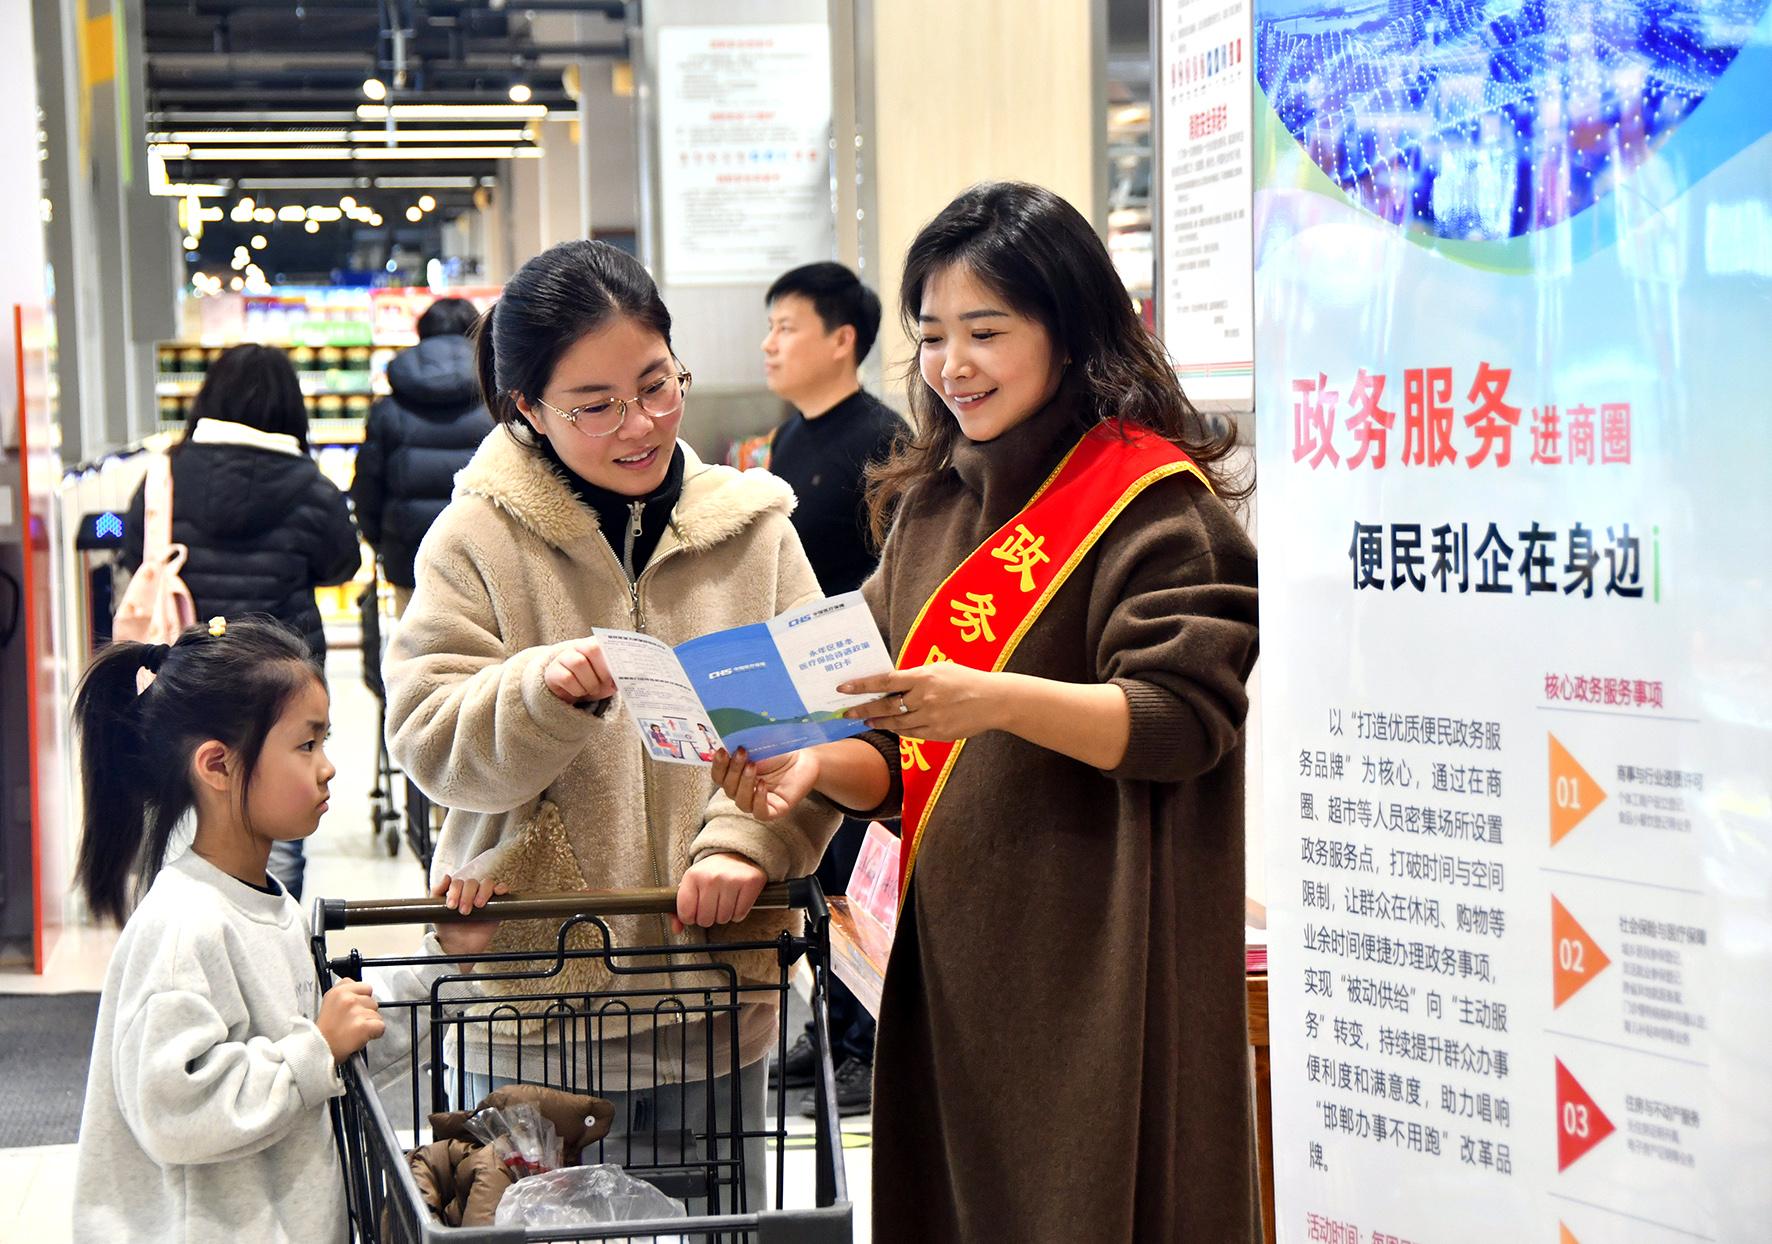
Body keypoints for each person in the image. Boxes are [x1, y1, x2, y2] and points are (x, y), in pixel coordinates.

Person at [712, 182, 1260, 1241]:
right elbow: (888, 741)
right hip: (956, 958)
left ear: (1071, 329)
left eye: (985, 331)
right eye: (931, 336)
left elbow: (1178, 720)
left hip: (1097, 966)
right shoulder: (934, 500)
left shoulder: (1155, 507)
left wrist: (993, 698)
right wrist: (812, 766)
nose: (952, 364)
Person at [382, 239, 840, 1215]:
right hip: (533, 997)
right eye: (594, 405)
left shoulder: (755, 532)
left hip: (715, 992)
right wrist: (537, 693)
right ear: (527, 407)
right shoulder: (477, 539)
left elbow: (809, 732)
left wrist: (747, 842)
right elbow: (425, 736)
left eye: (656, 385)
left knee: (723, 1226)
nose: (640, 425)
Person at [69, 618, 499, 1243]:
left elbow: (333, 1048)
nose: (327, 768)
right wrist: (315, 1048)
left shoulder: (272, 906)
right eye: (306, 744)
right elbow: (173, 1110)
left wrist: (445, 956)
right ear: (218, 765)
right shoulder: (183, 926)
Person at [123, 344, 361, 899]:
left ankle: (187, 925)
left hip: (189, 674)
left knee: (183, 808)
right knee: (278, 815)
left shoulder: (166, 474)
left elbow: (136, 549)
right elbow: (341, 565)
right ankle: (273, 935)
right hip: (281, 682)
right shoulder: (311, 485)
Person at [758, 262, 906, 1114]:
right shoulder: (791, 438)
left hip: (862, 699)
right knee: (820, 865)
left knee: (863, 869)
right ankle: (832, 1026)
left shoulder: (882, 443)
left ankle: (868, 1045)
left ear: (842, 339)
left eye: (788, 326)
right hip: (800, 688)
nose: (770, 344)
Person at [349, 296, 495, 616]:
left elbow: (367, 486)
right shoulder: (497, 403)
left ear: (422, 334)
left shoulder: (388, 410)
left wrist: (381, 540)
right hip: (487, 554)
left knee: (417, 643)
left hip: (408, 555)